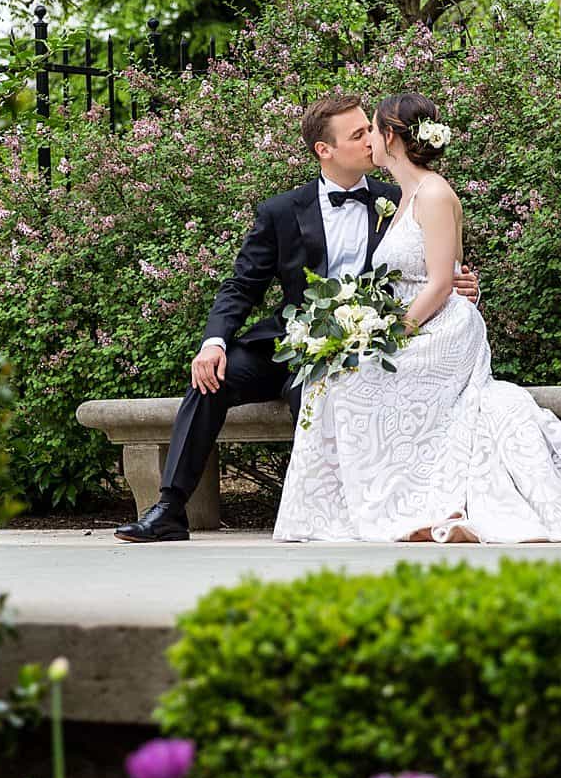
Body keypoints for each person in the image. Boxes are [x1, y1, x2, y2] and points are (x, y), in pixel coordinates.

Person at [271, 91, 561, 543]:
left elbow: (442, 283)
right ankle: (368, 504)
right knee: (331, 377)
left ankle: (404, 503)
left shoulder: (433, 193)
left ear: (391, 136)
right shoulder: (400, 198)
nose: (368, 138)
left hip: (440, 329)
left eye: (372, 128)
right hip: (414, 321)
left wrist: (392, 332)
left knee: (352, 380)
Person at [114, 92, 479, 542]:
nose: (370, 140)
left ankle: (332, 511)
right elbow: (242, 285)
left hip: (361, 347)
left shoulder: (399, 197)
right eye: (357, 134)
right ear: (323, 150)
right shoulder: (282, 211)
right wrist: (214, 342)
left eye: (370, 130)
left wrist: (460, 283)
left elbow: (429, 267)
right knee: (210, 380)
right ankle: (170, 508)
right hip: (290, 341)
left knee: (317, 389)